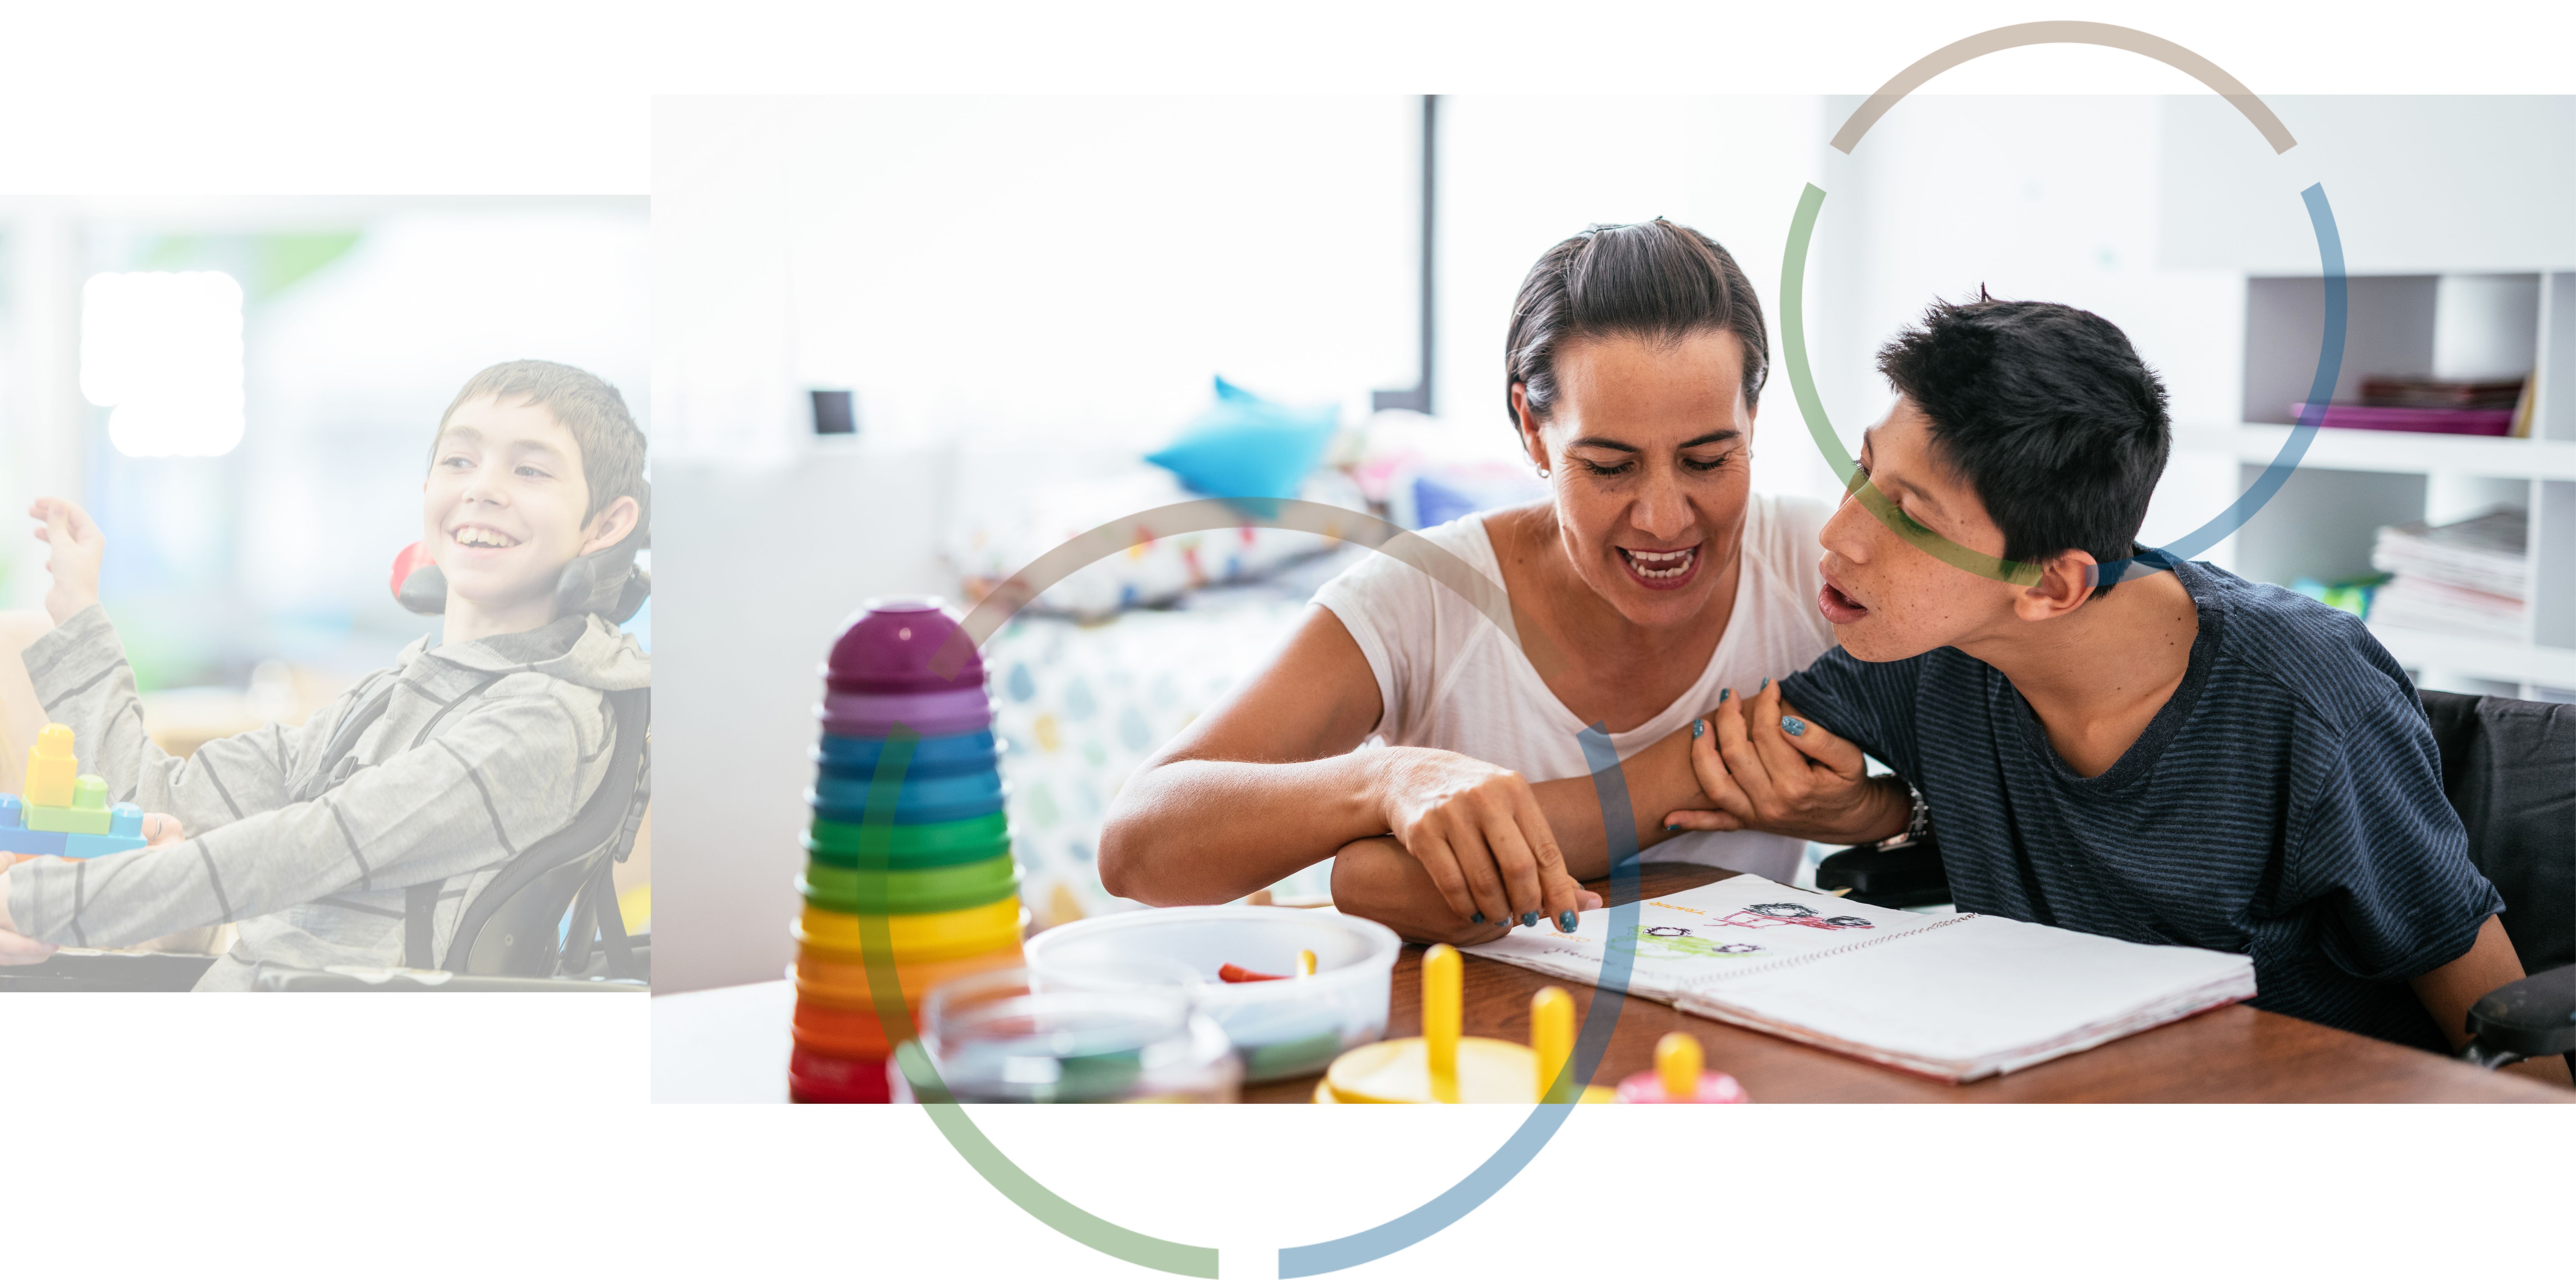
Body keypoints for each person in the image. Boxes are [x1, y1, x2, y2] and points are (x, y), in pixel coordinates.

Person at [1661, 293, 2564, 1081]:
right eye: (1864, 469)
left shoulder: (2306, 697)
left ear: (2051, 586)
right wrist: (1513, 814)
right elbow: (1655, 789)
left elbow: (2506, 1030)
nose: (1844, 532)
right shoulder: (1932, 644)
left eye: (1909, 513)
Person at [1098, 219, 1835, 944]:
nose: (1666, 519)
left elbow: (1945, 779)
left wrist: (1881, 810)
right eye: (1610, 468)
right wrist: (1388, 783)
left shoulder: (1818, 564)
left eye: (1708, 460)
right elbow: (1137, 846)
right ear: (1531, 427)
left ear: (1753, 417)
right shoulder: (1424, 598)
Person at [0, 360, 651, 988]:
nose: (483, 487)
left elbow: (308, 847)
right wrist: (79, 618)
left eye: (532, 469)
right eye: (459, 461)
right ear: (429, 496)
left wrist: (31, 903)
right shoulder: (390, 699)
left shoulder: (548, 720)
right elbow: (150, 802)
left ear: (607, 524)